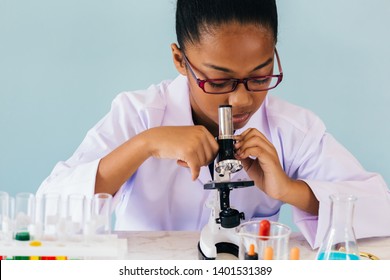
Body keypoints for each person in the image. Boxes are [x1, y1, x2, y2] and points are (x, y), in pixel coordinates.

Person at [37, 0, 390, 249]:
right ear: (180, 59)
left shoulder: (293, 129)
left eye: (260, 76)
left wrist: (289, 189)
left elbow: (381, 210)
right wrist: (144, 144)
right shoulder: (138, 114)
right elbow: (47, 213)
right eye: (219, 82)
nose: (241, 100)